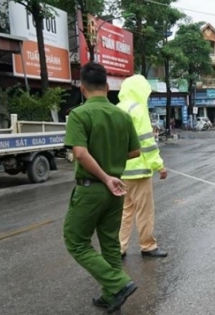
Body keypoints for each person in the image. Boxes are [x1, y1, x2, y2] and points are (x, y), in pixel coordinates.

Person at [63, 62, 140, 312]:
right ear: (107, 87)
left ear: (82, 88)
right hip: (116, 189)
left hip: (92, 188)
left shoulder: (79, 114)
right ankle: (110, 295)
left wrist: (105, 176)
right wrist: (112, 165)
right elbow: (135, 151)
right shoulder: (122, 115)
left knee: (75, 241)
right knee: (110, 244)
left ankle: (118, 284)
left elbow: (81, 153)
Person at [117, 74, 168, 259]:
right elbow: (146, 142)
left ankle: (119, 248)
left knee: (125, 212)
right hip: (139, 172)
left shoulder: (116, 109)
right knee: (144, 212)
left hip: (119, 172)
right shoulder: (138, 110)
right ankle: (148, 246)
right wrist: (159, 166)